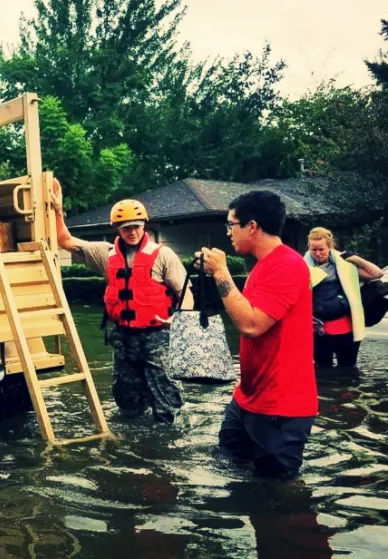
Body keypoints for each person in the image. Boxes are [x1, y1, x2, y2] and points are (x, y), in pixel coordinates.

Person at [199, 190, 317, 480]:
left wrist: (221, 273)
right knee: (229, 467)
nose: (228, 232)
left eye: (231, 225)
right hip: (248, 397)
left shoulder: (287, 265)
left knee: (278, 496)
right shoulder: (264, 265)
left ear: (252, 226)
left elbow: (251, 325)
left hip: (281, 407)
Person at [50, 179, 185, 424]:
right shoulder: (104, 253)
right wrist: (58, 211)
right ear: (117, 229)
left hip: (158, 337)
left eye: (136, 226)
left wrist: (177, 318)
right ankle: (132, 445)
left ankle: (170, 446)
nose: (132, 232)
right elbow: (65, 240)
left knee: (167, 403)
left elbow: (186, 292)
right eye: (125, 228)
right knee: (127, 402)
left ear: (144, 225)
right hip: (123, 338)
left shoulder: (164, 255)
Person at [304, 227, 383, 368]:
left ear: (330, 246)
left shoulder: (345, 265)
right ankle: (327, 391)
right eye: (313, 250)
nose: (317, 254)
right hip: (316, 329)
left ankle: (347, 390)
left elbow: (377, 274)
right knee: (322, 370)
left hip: (344, 327)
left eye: (321, 249)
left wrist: (356, 259)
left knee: (348, 369)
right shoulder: (302, 267)